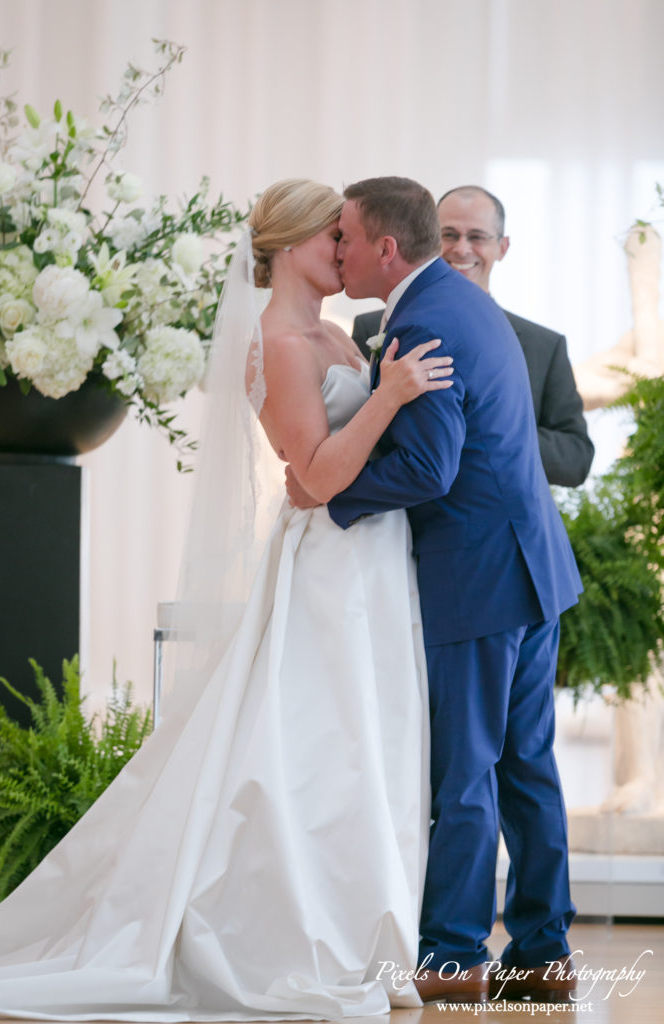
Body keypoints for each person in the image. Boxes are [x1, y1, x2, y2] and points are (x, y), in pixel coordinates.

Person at [0, 180, 455, 1020]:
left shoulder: (340, 333)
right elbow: (311, 480)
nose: (344, 251)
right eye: (332, 237)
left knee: (373, 741)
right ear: (293, 246)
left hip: (380, 560)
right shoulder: (276, 340)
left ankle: (368, 927)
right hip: (330, 568)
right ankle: (304, 936)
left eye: (346, 238)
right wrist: (387, 396)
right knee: (321, 746)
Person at [287, 177, 583, 1003]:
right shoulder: (460, 300)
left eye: (345, 237)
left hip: (479, 579)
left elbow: (427, 467)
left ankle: (452, 957)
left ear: (385, 248)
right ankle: (541, 951)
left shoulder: (422, 319)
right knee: (524, 766)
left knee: (463, 771)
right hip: (530, 569)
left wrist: (326, 491)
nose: (337, 250)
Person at [352, 184, 594, 488]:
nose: (461, 249)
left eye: (477, 237)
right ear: (428, 239)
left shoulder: (544, 346)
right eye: (449, 235)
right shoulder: (372, 328)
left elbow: (576, 460)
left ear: (502, 248)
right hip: (393, 520)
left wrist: (486, 427)